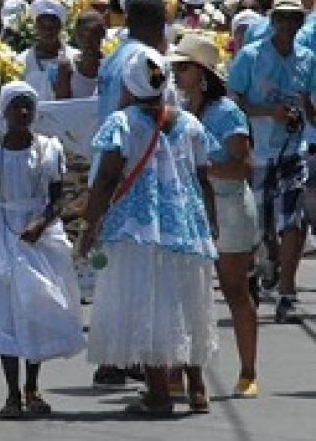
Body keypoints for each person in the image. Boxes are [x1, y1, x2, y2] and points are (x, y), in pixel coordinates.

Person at [77, 46, 218, 417]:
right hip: (187, 223)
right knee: (186, 303)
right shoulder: (190, 123)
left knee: (150, 306)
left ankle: (159, 394)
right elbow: (204, 179)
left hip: (140, 227)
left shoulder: (122, 123)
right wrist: (211, 223)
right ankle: (198, 388)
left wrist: (89, 226)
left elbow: (106, 179)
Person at [0, 82, 84, 419]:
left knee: (36, 307)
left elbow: (57, 197)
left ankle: (33, 386)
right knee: (6, 312)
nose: (23, 112)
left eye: (28, 106)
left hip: (37, 234)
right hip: (0, 233)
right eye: (16, 106)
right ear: (4, 112)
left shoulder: (49, 149)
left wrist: (41, 223)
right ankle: (11, 392)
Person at [168, 35, 259, 398]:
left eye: (183, 67)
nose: (176, 73)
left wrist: (203, 170)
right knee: (186, 292)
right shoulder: (179, 107)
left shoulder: (226, 112)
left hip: (228, 205)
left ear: (203, 73)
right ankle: (181, 369)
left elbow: (242, 165)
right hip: (193, 205)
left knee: (235, 289)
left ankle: (248, 371)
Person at [227, 0, 316, 325]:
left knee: (293, 220)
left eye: (294, 19)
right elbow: (235, 99)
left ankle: (287, 291)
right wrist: (269, 112)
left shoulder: (306, 59)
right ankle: (268, 263)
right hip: (259, 152)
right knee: (262, 226)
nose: (288, 26)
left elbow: (307, 101)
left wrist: (303, 116)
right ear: (273, 21)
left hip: (294, 149)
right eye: (282, 19)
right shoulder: (250, 56)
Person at [19, 0, 73, 99]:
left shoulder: (73, 57)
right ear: (36, 27)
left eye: (53, 26)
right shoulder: (21, 61)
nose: (48, 31)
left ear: (60, 27)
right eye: (43, 26)